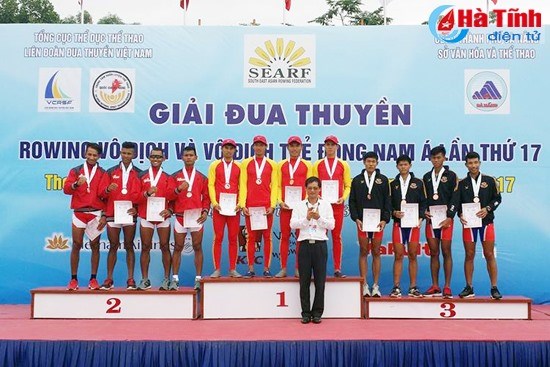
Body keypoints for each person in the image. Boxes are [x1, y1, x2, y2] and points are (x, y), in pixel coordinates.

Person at [457, 151, 502, 300]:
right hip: (469, 224)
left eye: (476, 162)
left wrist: (487, 208)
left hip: (486, 222)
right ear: (466, 165)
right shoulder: (462, 183)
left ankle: (494, 287)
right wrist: (460, 214)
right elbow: (457, 203)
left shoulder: (489, 180)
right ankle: (469, 287)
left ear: (479, 163)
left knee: (489, 254)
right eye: (470, 163)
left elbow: (497, 199)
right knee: (469, 255)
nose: (473, 165)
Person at [290, 177, 335, 324]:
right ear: (306, 189)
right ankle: (305, 313)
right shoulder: (299, 205)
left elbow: (332, 225)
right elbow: (292, 224)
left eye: (315, 188)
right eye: (310, 188)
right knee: (304, 281)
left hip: (320, 245)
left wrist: (319, 218)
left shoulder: (326, 205)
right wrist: (307, 219)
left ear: (320, 189)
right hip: (304, 245)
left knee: (320, 281)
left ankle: (317, 313)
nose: (313, 191)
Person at [62, 142, 106, 291]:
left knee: (95, 246)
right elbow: (66, 189)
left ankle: (93, 278)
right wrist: (75, 184)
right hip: (79, 213)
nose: (92, 157)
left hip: (95, 213)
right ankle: (73, 279)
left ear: (99, 156)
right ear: (85, 154)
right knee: (76, 244)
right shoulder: (75, 170)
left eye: (95, 155)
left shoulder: (103, 173)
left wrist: (105, 215)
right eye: (89, 154)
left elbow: (105, 196)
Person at [98, 142, 142, 290]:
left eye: (129, 153)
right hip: (113, 214)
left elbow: (142, 196)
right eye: (124, 153)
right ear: (120, 153)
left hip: (129, 214)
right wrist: (107, 189)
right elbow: (101, 194)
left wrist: (137, 209)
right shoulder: (110, 172)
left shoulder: (139, 173)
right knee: (113, 246)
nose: (126, 156)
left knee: (129, 246)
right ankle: (109, 279)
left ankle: (130, 279)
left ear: (134, 155)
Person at [348, 152, 391, 297]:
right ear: (364, 163)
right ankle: (364, 285)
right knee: (363, 252)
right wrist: (356, 218)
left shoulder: (383, 180)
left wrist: (385, 219)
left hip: (378, 222)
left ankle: (376, 286)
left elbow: (387, 202)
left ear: (377, 163)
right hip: (362, 222)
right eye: (368, 161)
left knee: (377, 252)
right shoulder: (357, 180)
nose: (371, 164)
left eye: (373, 161)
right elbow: (352, 201)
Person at [171, 146, 210, 290]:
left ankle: (198, 279)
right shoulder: (175, 176)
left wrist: (205, 212)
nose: (188, 157)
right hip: (180, 217)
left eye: (191, 155)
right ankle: (175, 278)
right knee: (178, 247)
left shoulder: (202, 177)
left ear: (196, 158)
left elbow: (206, 198)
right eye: (186, 155)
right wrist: (178, 189)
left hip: (196, 217)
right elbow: (170, 197)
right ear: (182, 158)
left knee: (197, 247)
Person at [239, 135, 278, 278]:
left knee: (267, 237)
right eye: (256, 144)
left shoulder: (272, 164)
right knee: (251, 238)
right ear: (253, 146)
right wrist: (243, 204)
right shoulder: (246, 163)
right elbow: (242, 184)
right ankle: (251, 269)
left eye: (262, 145)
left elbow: (275, 186)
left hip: (266, 207)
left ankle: (267, 269)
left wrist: (273, 205)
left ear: (266, 147)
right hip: (251, 207)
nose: (259, 147)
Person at [422, 146, 459, 298]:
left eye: (439, 157)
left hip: (446, 220)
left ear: (444, 158)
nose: (436, 160)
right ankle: (435, 285)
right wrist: (424, 210)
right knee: (434, 252)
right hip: (431, 220)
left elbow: (455, 198)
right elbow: (422, 198)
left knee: (446, 251)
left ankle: (447, 286)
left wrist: (450, 216)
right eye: (433, 158)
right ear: (430, 159)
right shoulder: (426, 177)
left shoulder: (451, 176)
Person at [313, 135, 351, 278]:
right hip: (321, 205)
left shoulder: (343, 164)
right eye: (327, 144)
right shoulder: (317, 164)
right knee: (320, 237)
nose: (330, 147)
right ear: (324, 147)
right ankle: (319, 268)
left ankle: (337, 268)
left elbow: (348, 185)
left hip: (337, 206)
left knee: (336, 237)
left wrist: (343, 197)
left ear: (337, 147)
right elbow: (314, 185)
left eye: (332, 144)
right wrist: (318, 198)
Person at [136, 147, 174, 291]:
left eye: (159, 157)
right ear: (149, 158)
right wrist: (146, 193)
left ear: (163, 159)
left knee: (165, 246)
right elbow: (135, 197)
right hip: (146, 216)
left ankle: (166, 279)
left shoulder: (168, 177)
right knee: (145, 247)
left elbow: (173, 198)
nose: (156, 159)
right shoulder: (141, 176)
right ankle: (145, 280)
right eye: (153, 157)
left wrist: (170, 210)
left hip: (162, 217)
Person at [390, 154, 427, 298]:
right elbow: (389, 204)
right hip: (399, 224)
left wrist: (421, 217)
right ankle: (396, 287)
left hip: (413, 225)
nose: (403, 167)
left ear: (410, 166)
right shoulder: (393, 184)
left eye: (406, 164)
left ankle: (413, 287)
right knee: (398, 255)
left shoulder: (418, 183)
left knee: (412, 255)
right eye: (400, 165)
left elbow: (424, 202)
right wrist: (394, 212)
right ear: (397, 166)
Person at [275, 136, 312, 278]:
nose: (294, 148)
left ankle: (298, 268)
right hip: (285, 207)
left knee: (300, 238)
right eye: (292, 146)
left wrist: (305, 202)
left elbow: (310, 187)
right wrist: (280, 200)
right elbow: (277, 185)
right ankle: (283, 268)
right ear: (288, 148)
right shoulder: (281, 165)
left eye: (297, 146)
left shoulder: (308, 165)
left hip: (301, 208)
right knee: (284, 237)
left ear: (301, 148)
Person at [208, 138, 242, 278]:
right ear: (222, 149)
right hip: (219, 208)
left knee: (233, 238)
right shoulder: (214, 165)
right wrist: (214, 203)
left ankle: (232, 269)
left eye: (231, 148)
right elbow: (211, 185)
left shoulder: (239, 167)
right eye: (226, 148)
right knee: (218, 238)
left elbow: (242, 186)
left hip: (234, 209)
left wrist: (240, 203)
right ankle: (217, 269)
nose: (228, 150)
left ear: (235, 150)